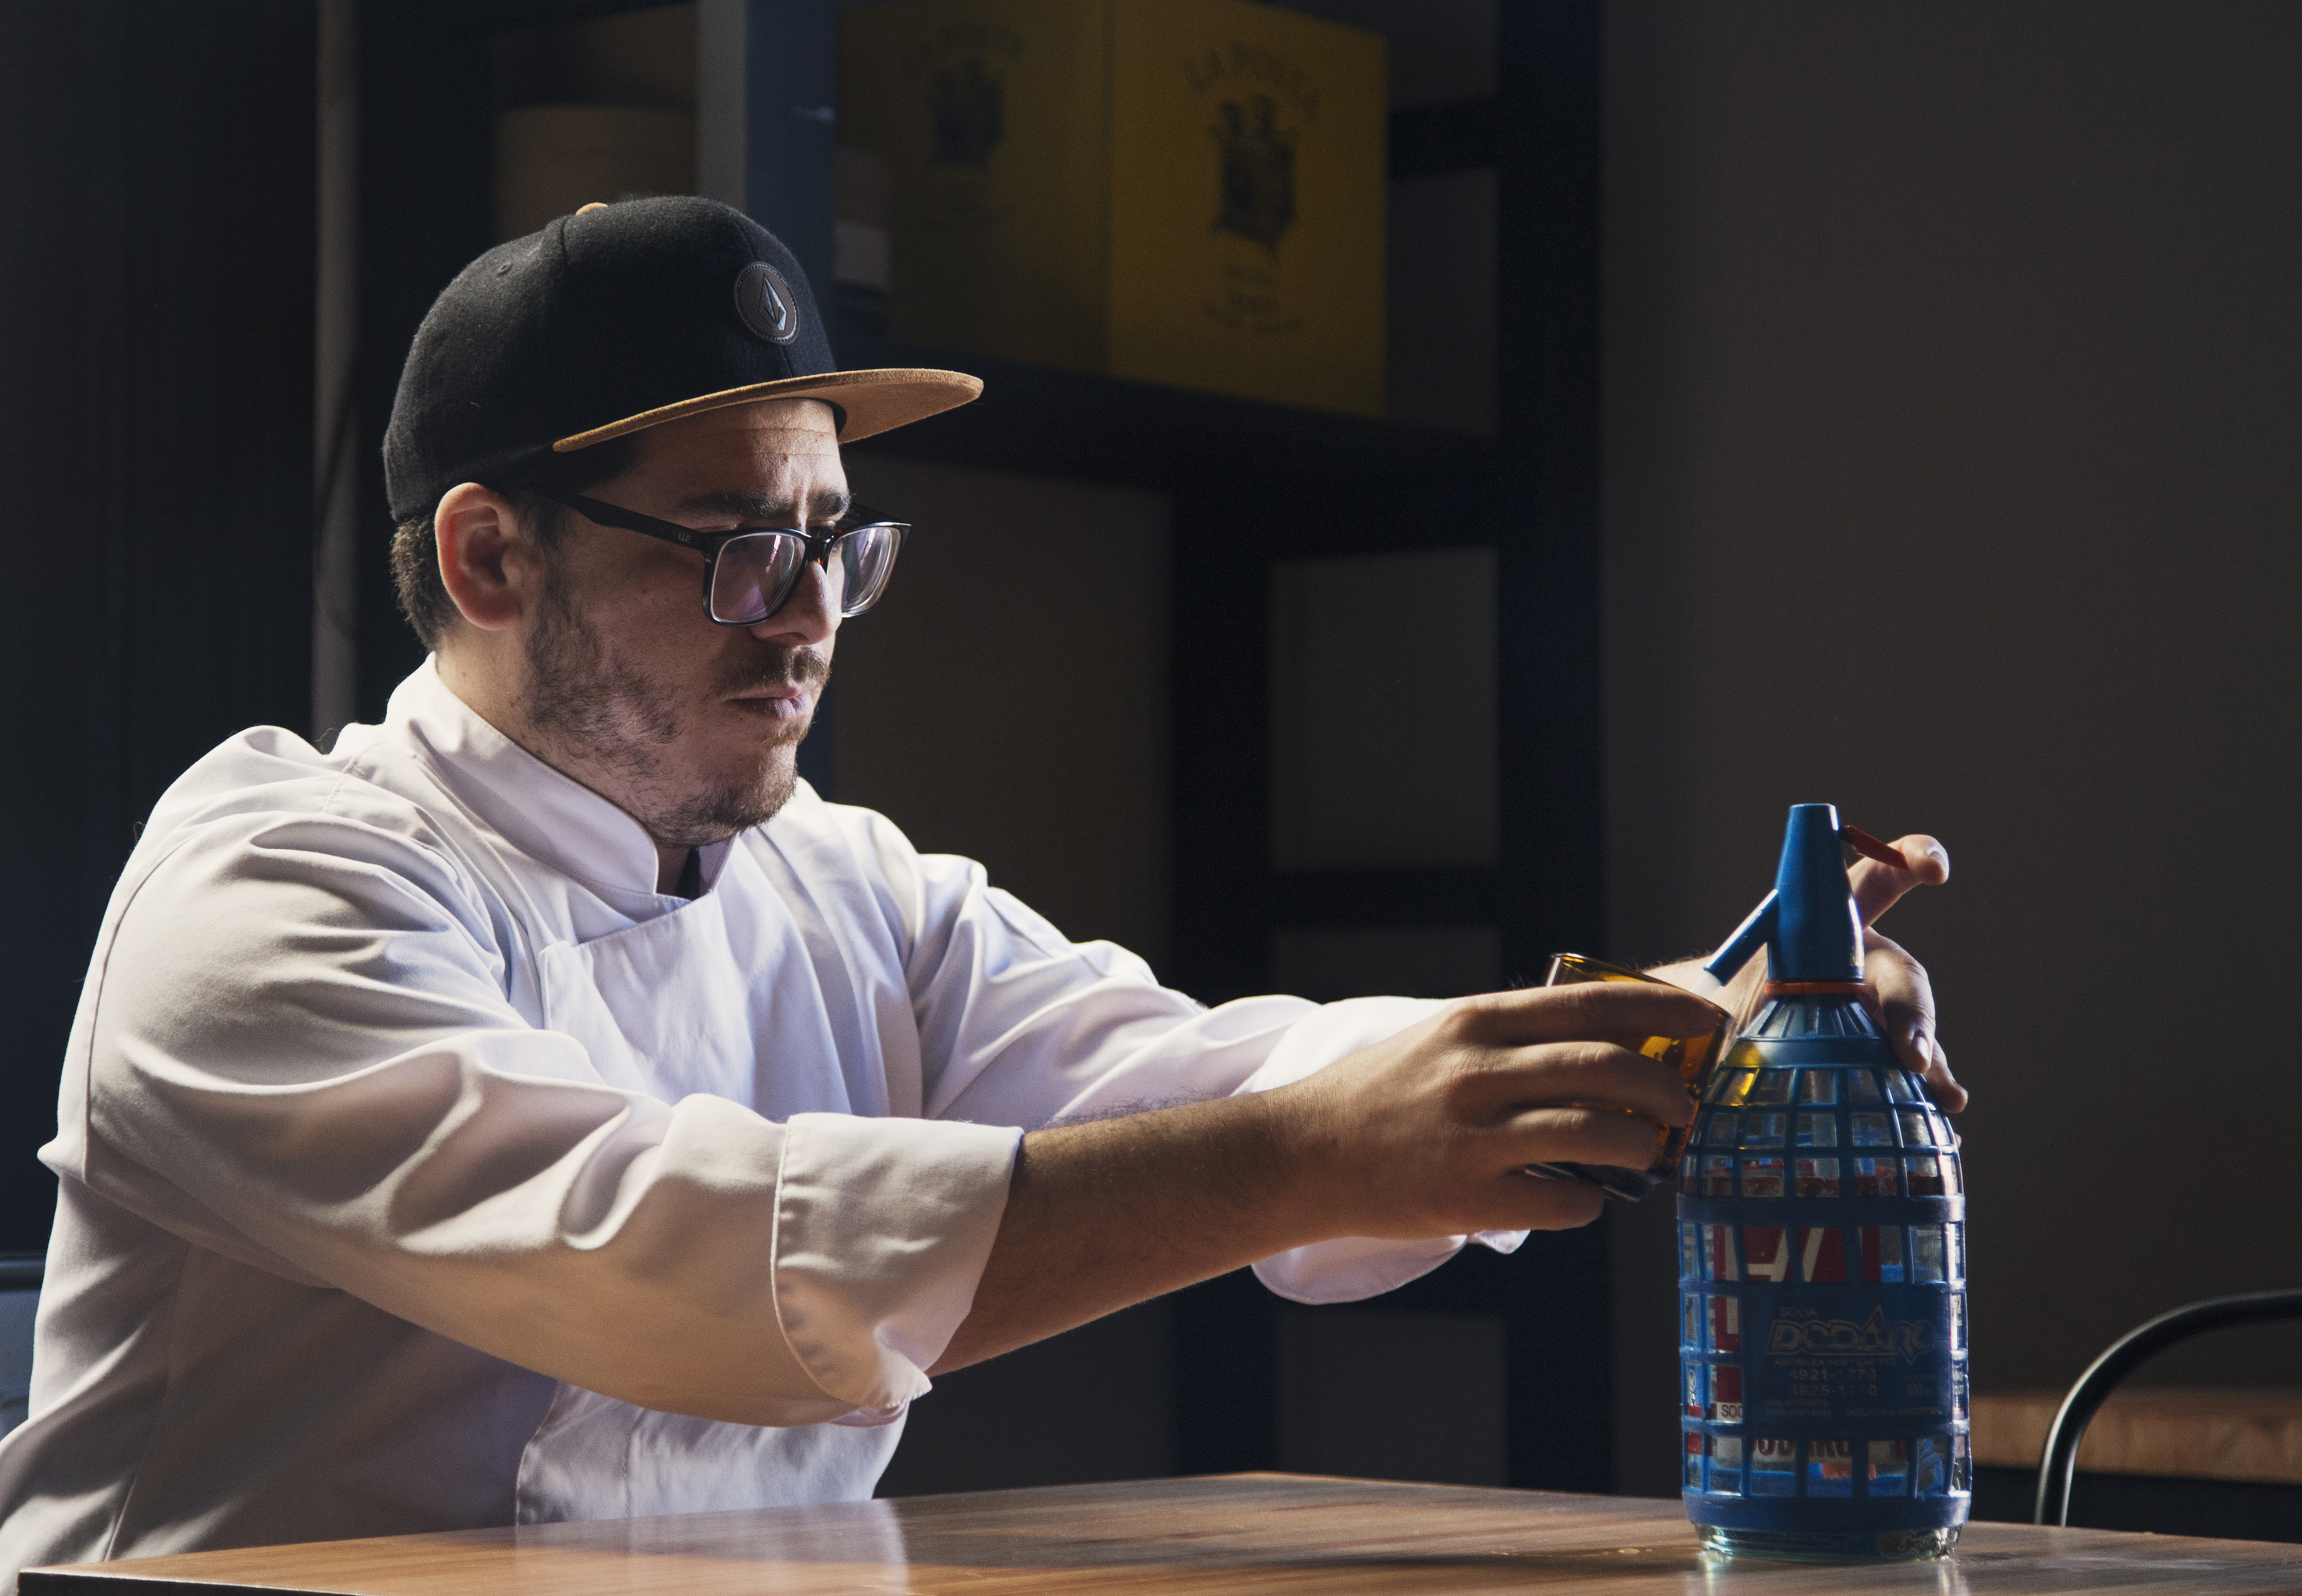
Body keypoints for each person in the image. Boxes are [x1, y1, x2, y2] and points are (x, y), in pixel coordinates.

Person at [0, 198, 1960, 1574]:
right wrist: (1313, 1155)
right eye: (735, 545)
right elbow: (654, 1250)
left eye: (834, 546)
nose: (806, 620)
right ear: (489, 558)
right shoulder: (273, 884)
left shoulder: (842, 888)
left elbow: (1214, 1076)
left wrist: (1686, 1023)